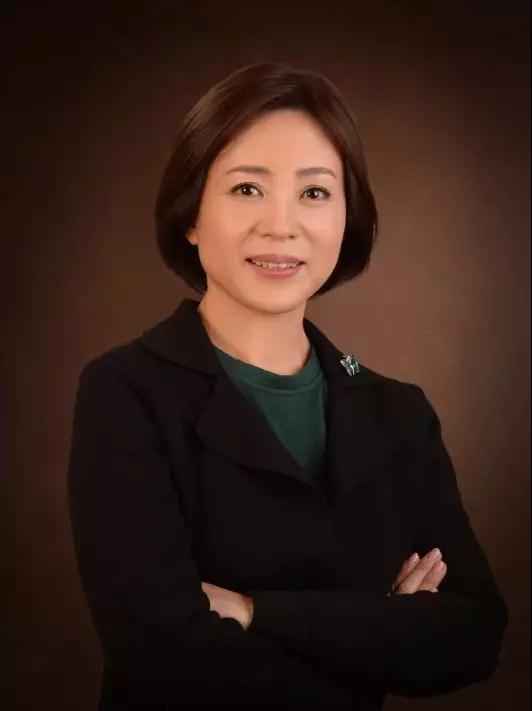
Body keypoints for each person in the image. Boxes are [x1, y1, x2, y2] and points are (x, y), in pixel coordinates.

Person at [67, 62, 508, 710]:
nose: (281, 224)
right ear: (191, 215)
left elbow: (472, 635)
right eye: (247, 188)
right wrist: (379, 628)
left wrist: (254, 612)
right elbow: (160, 653)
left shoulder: (400, 415)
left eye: (315, 192)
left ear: (347, 218)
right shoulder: (125, 391)